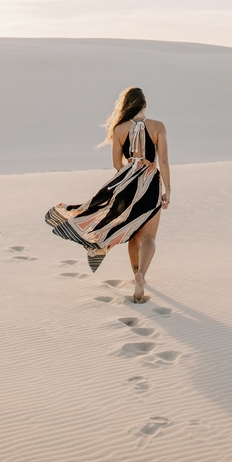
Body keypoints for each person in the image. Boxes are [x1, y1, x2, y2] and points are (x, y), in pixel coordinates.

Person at [45, 87, 171, 302]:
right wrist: (168, 189)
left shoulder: (120, 129)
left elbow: (115, 163)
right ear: (144, 104)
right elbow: (164, 161)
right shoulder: (158, 126)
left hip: (127, 181)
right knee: (149, 236)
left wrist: (129, 178)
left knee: (133, 235)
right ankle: (141, 276)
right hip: (151, 181)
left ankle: (135, 274)